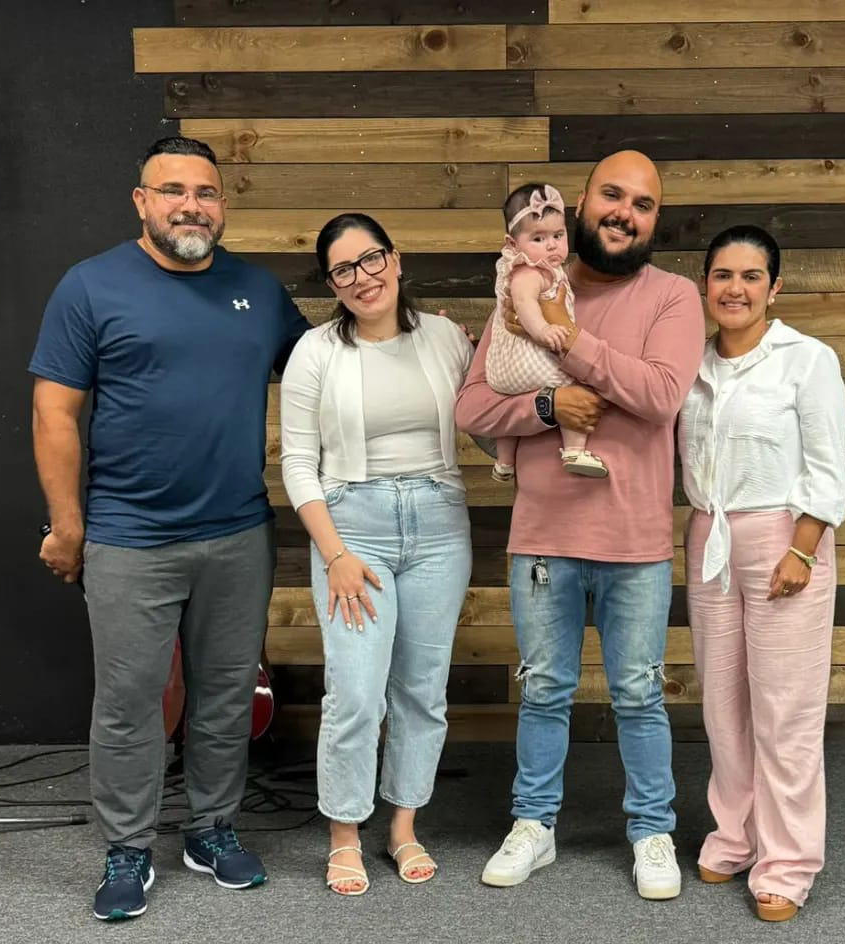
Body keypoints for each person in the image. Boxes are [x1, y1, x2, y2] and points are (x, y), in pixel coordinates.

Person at [29, 137, 310, 920]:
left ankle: (212, 829)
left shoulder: (258, 290)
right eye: (174, 190)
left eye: (206, 192)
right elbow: (54, 413)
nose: (192, 205)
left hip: (239, 533)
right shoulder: (91, 286)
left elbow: (329, 368)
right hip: (128, 536)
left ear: (223, 204)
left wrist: (410, 339)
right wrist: (68, 525)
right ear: (142, 201)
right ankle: (128, 845)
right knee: (129, 702)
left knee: (225, 694)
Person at [456, 150, 705, 900]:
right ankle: (534, 824)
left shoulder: (673, 297)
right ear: (581, 204)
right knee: (542, 692)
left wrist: (569, 338)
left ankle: (652, 830)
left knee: (639, 695)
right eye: (612, 195)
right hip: (543, 539)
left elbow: (659, 395)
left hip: (635, 543)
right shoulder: (528, 285)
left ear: (654, 220)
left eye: (643, 204)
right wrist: (546, 407)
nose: (625, 212)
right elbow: (473, 407)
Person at [279, 213, 473, 896]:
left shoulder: (446, 338)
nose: (362, 278)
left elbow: (489, 417)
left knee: (422, 689)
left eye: (371, 259)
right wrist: (333, 553)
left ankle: (403, 826)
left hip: (439, 525)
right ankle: (344, 833)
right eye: (343, 270)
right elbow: (297, 463)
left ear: (395, 259)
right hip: (352, 530)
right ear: (331, 284)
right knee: (357, 693)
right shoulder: (314, 352)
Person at [678, 225, 845, 922]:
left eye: (751, 276)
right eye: (723, 275)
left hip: (785, 537)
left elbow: (827, 466)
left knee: (785, 712)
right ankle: (736, 835)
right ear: (705, 284)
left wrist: (802, 549)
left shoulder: (807, 360)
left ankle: (788, 863)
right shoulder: (689, 364)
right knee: (723, 706)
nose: (735, 289)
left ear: (774, 288)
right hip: (709, 537)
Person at [486, 182, 606, 480]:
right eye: (538, 238)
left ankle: (504, 462)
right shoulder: (528, 271)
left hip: (503, 374)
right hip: (526, 362)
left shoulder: (540, 268)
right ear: (512, 243)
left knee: (508, 404)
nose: (551, 245)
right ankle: (574, 450)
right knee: (575, 383)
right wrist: (542, 330)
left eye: (558, 235)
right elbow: (524, 303)